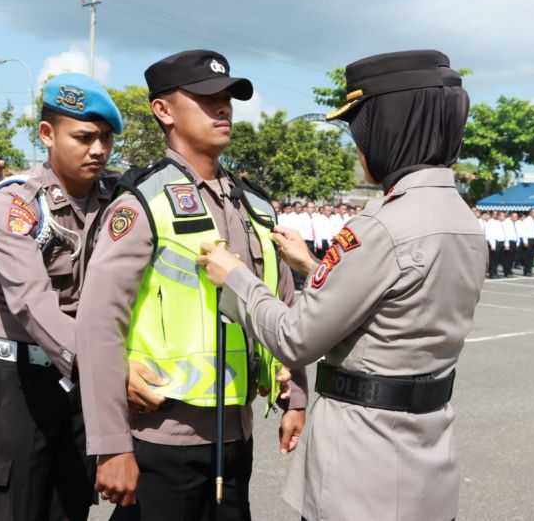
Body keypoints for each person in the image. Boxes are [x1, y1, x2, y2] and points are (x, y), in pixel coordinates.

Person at [199, 50, 485, 521]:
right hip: (426, 450)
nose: (358, 151)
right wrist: (313, 265)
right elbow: (399, 305)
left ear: (390, 132)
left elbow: (296, 338)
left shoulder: (380, 227)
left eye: (361, 136)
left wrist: (236, 278)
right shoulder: (462, 220)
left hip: (366, 459)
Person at [76, 49, 306, 521]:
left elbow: (285, 304)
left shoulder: (255, 207)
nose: (222, 108)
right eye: (206, 99)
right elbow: (99, 325)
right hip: (163, 438)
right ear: (163, 111)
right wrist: (111, 445)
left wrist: (296, 398)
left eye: (227, 98)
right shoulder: (143, 202)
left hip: (236, 436)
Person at [0, 73, 123, 521]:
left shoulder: (117, 200)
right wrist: (106, 371)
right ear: (47, 134)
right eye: (85, 137)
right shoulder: (17, 203)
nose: (98, 150)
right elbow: (32, 302)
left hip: (83, 376)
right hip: (18, 375)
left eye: (106, 139)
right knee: (9, 502)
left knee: (70, 498)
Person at [485, 211, 507, 278]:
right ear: (498, 216)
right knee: (493, 260)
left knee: (497, 260)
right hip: (495, 243)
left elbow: (504, 234)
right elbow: (490, 235)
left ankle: (495, 272)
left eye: (504, 216)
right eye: (502, 216)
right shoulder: (492, 222)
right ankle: (492, 273)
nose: (504, 217)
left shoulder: (501, 223)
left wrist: (505, 243)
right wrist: (493, 245)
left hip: (501, 242)